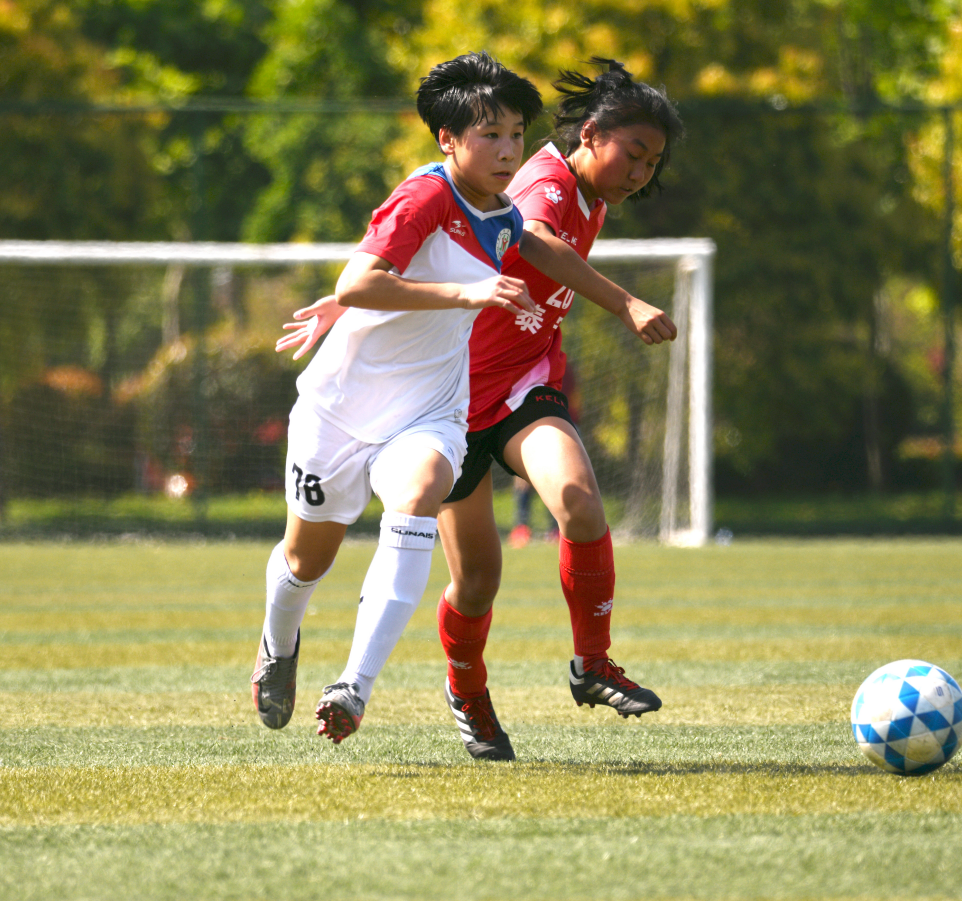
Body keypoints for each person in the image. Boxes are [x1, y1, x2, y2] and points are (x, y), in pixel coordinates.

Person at [278, 58, 685, 759]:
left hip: (524, 382)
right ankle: (466, 691)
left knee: (579, 500)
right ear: (589, 135)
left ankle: (592, 663)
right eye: (634, 153)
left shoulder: (592, 197)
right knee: (476, 582)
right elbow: (531, 238)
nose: (641, 172)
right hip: (452, 402)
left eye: (653, 162)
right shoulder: (542, 181)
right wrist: (625, 303)